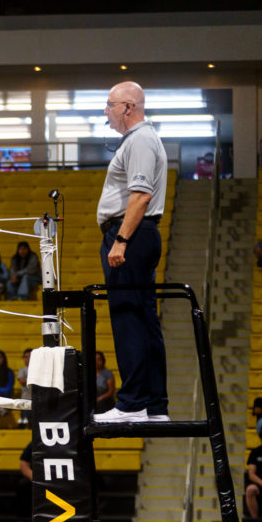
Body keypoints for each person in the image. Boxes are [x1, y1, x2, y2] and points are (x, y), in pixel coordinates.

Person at [93, 81, 169, 424]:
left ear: (128, 107)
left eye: (109, 105)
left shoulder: (139, 140)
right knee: (143, 319)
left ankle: (133, 404)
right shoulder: (141, 140)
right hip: (138, 234)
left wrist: (121, 240)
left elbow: (140, 195)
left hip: (130, 234)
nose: (105, 112)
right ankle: (155, 406)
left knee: (128, 318)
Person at [246, 444, 262, 519]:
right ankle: (255, 521)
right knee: (250, 489)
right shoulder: (256, 452)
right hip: (259, 484)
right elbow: (251, 475)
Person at [17, 348, 32, 427]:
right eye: (26, 357)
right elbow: (22, 381)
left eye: (30, 357)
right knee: (25, 419)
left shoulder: (39, 369)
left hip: (36, 397)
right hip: (25, 398)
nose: (28, 359)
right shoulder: (22, 370)